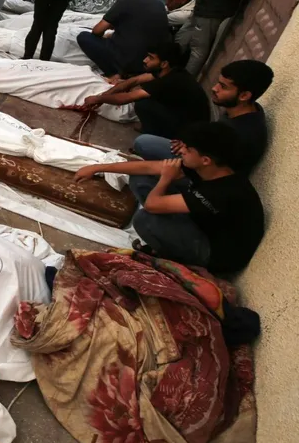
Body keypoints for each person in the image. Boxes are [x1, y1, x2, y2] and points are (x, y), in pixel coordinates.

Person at [76, 122, 264, 273]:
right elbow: (148, 167)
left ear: (205, 159)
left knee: (145, 219)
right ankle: (168, 232)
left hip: (217, 254)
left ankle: (175, 256)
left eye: (187, 149)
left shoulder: (221, 193)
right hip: (208, 224)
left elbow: (151, 205)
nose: (181, 151)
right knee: (141, 178)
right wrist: (98, 167)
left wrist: (166, 178)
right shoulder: (210, 169)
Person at [134, 59, 272, 177]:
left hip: (200, 176)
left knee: (142, 153)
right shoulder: (243, 110)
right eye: (218, 82)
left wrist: (187, 152)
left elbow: (211, 171)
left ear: (244, 96)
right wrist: (189, 144)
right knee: (145, 143)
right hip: (199, 155)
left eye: (223, 86)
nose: (214, 88)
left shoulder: (242, 134)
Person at [82, 41, 210, 139]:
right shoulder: (169, 71)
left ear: (164, 63)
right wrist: (103, 95)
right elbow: (134, 81)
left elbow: (127, 98)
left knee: (143, 104)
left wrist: (98, 99)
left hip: (187, 132)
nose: (145, 60)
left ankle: (153, 137)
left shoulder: (170, 80)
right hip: (185, 119)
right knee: (144, 98)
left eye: (151, 57)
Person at [77, 0, 171, 78]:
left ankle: (113, 73)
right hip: (149, 61)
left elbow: (97, 31)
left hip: (126, 60)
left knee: (84, 37)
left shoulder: (125, 0)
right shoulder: (159, 4)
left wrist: (109, 29)